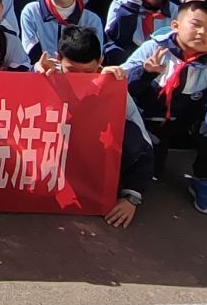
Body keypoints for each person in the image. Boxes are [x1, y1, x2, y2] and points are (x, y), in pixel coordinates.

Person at [119, 0, 207, 216]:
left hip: (186, 124)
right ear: (176, 25)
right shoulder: (154, 48)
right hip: (150, 121)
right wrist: (145, 73)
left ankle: (203, 179)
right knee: (151, 171)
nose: (202, 33)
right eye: (196, 24)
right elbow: (121, 86)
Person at [53, 26, 154, 229]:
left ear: (100, 62)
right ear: (59, 59)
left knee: (130, 135)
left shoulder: (114, 86)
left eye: (88, 72)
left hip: (96, 157)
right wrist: (37, 71)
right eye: (72, 71)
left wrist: (131, 197)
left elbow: (142, 145)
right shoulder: (48, 74)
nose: (80, 78)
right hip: (60, 157)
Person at [20, 0, 106, 68]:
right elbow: (30, 50)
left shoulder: (91, 19)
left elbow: (93, 58)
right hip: (42, 72)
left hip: (77, 73)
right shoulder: (32, 11)